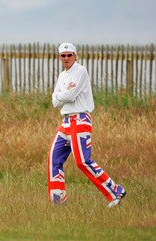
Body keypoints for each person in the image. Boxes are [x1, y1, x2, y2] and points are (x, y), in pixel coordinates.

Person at [47, 43, 126, 208]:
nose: (67, 58)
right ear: (59, 57)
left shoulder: (80, 71)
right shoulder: (62, 76)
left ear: (75, 55)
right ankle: (58, 201)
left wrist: (61, 95)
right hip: (66, 121)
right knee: (54, 158)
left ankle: (115, 191)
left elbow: (70, 95)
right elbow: (54, 101)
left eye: (69, 55)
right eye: (63, 55)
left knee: (83, 161)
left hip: (80, 119)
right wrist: (62, 95)